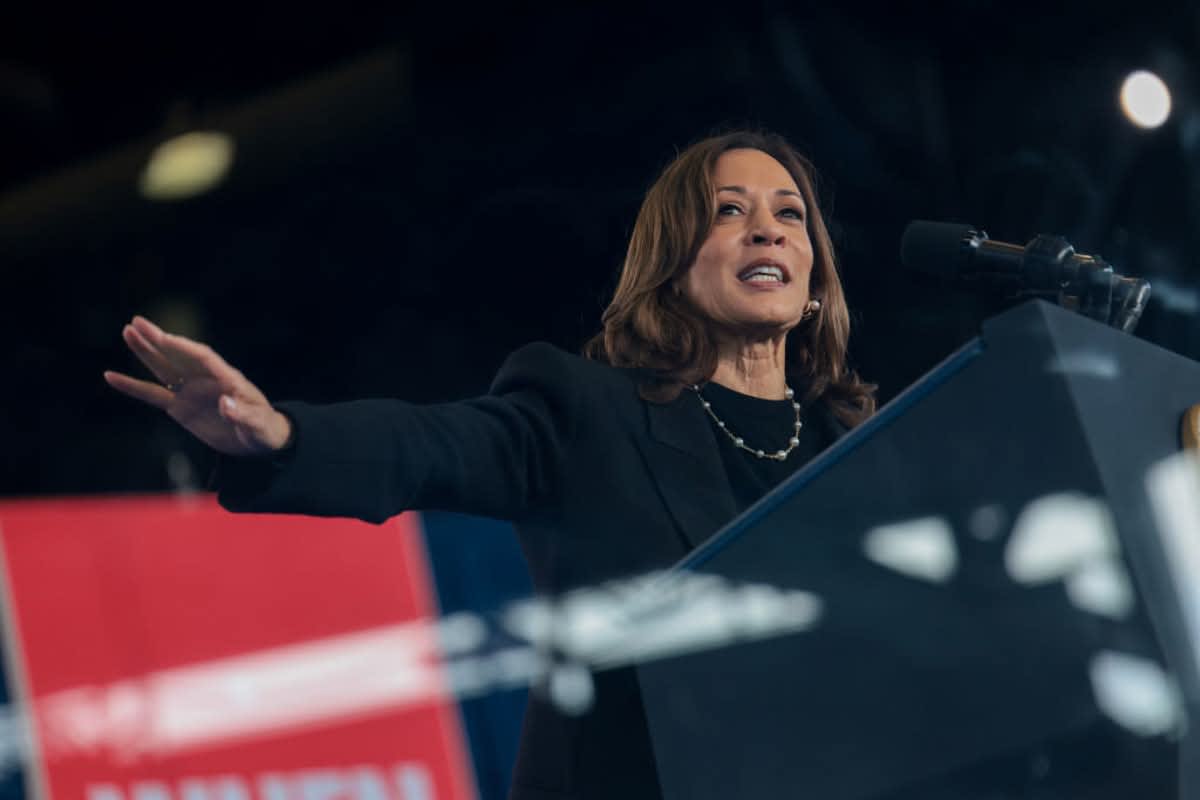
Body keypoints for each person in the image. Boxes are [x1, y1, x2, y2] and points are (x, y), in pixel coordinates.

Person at [106, 129, 876, 800]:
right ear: (673, 265)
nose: (767, 231)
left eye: (789, 214)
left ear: (814, 273)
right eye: (729, 210)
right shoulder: (587, 412)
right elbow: (431, 446)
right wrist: (279, 433)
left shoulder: (863, 447)